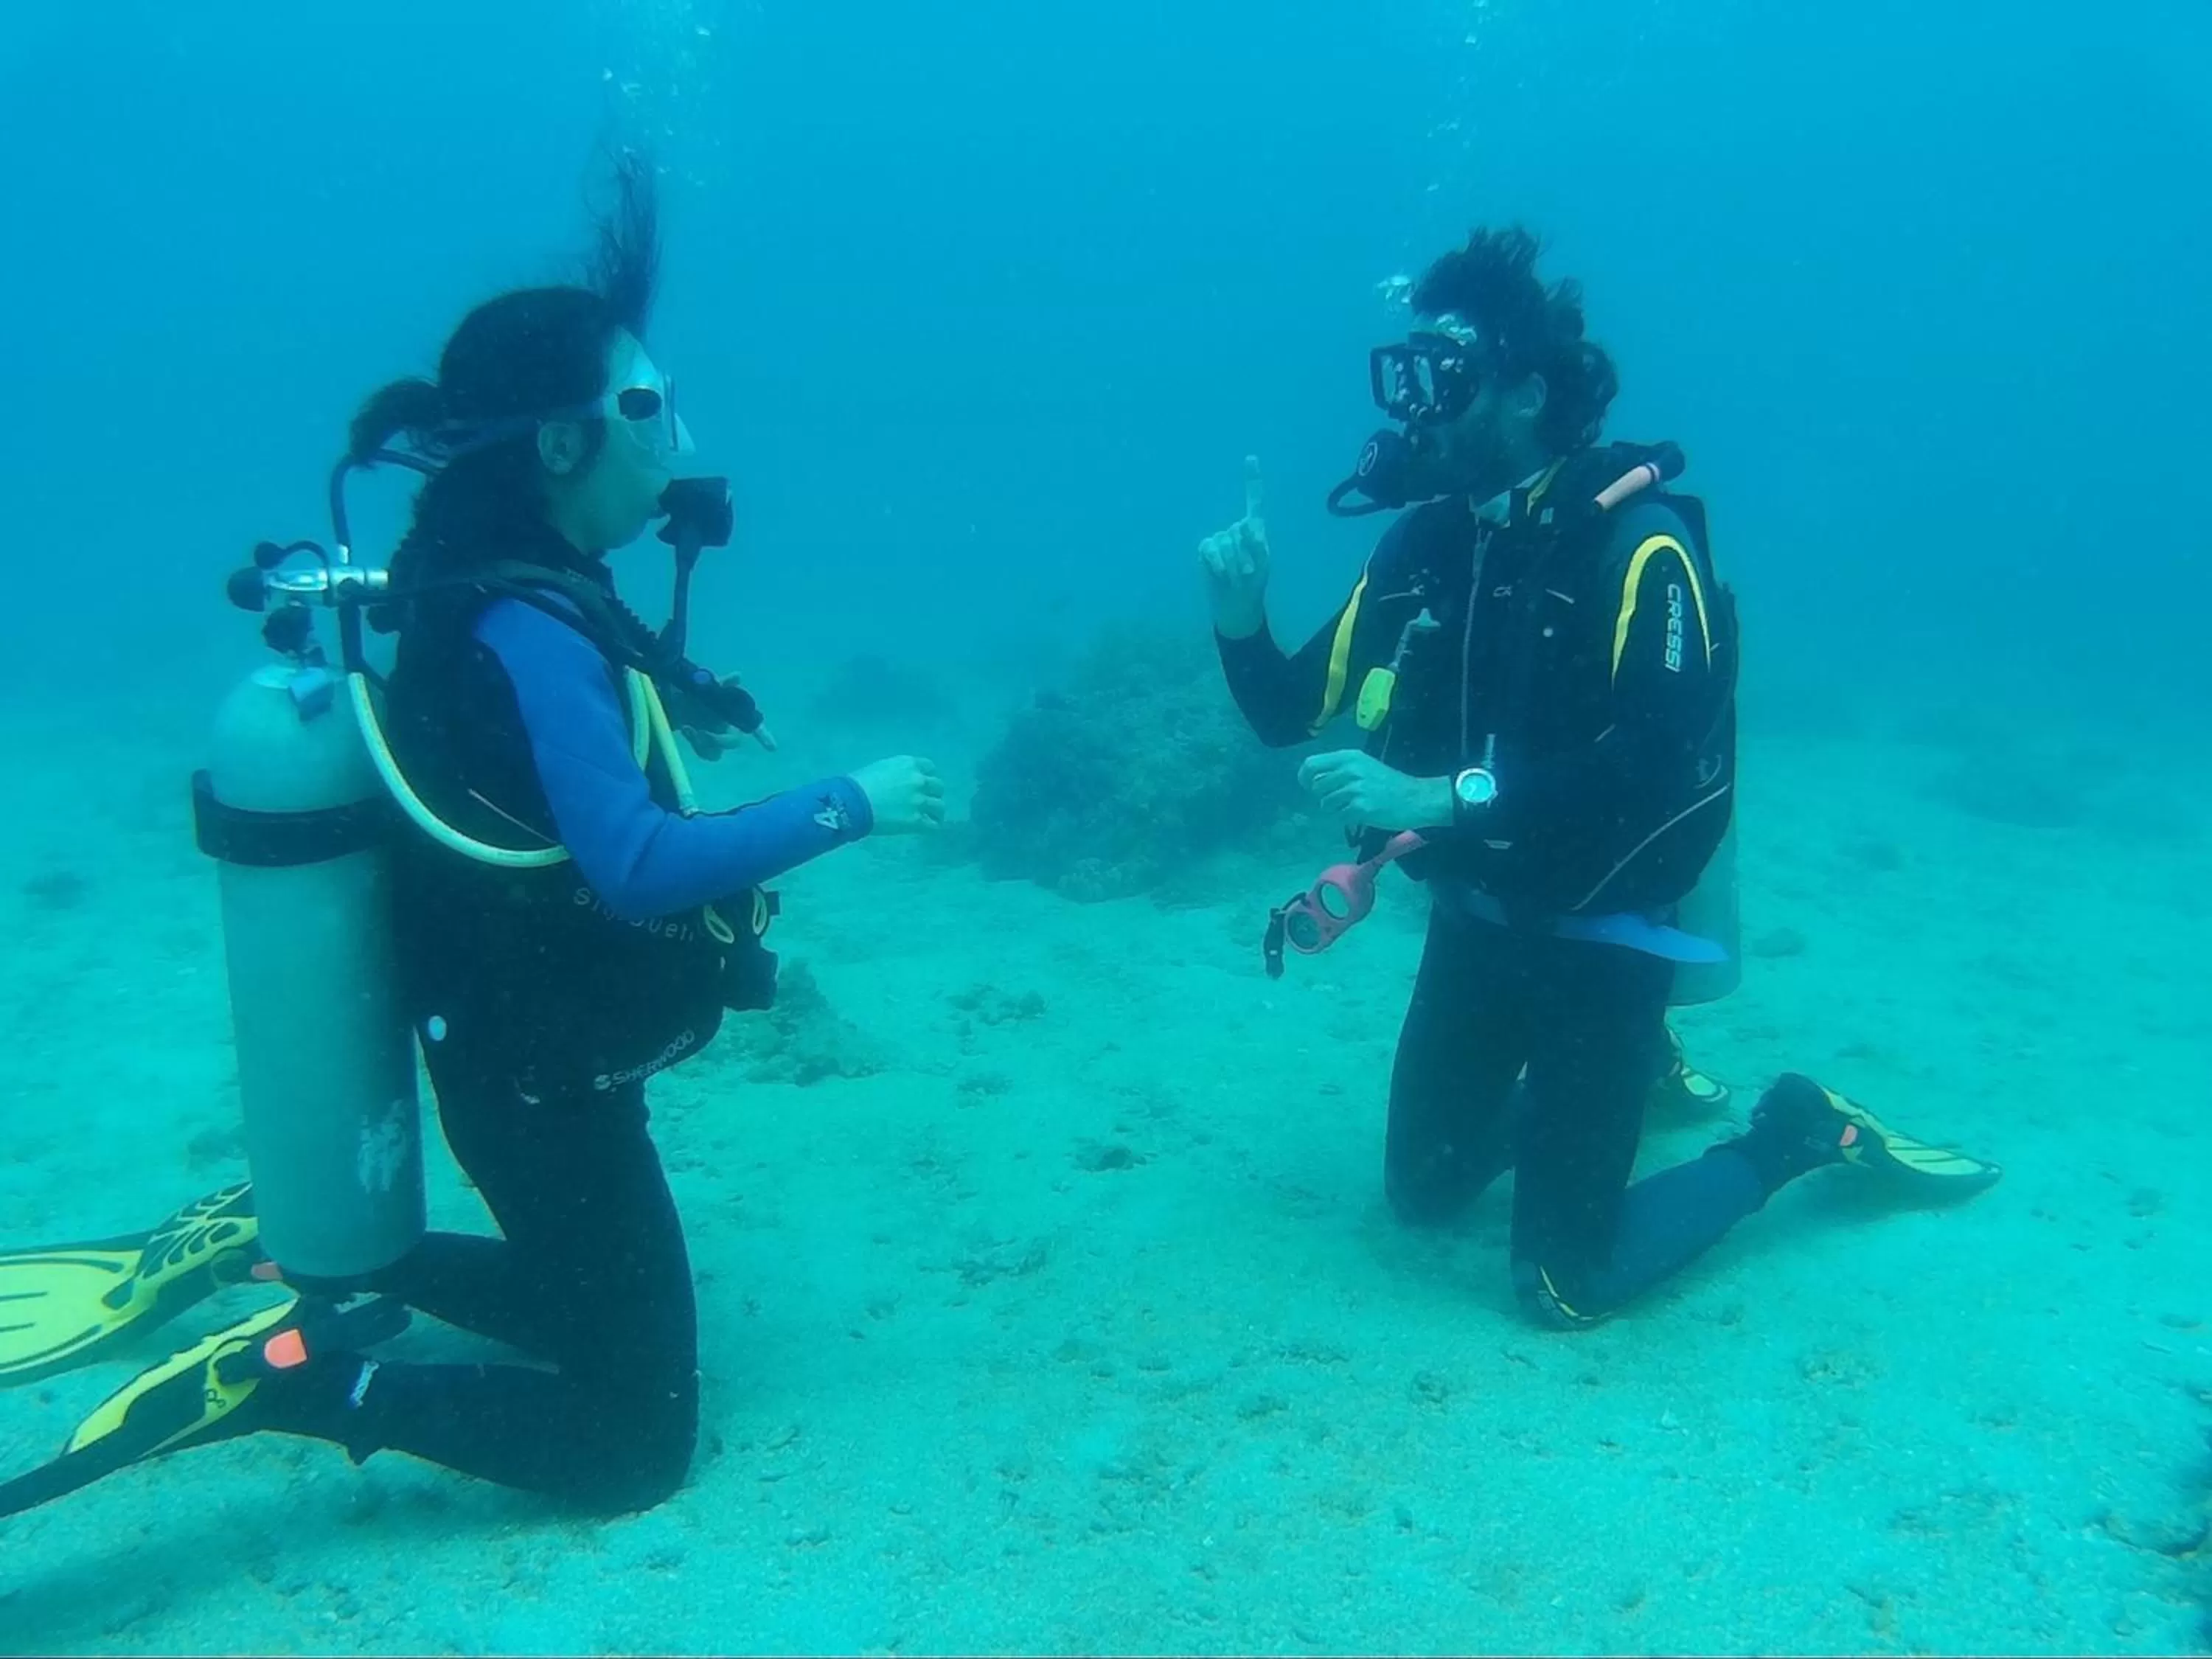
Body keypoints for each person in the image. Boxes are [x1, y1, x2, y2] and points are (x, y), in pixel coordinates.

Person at [0, 157, 945, 1517]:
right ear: (558, 444)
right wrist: (850, 801)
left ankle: (314, 1249)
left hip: (517, 1047)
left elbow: (539, 759)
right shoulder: (530, 618)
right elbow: (633, 866)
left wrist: (681, 707)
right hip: (543, 1077)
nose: (674, 437)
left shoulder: (501, 585)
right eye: (644, 408)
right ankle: (302, 1380)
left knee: (580, 1301)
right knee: (635, 1444)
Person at [1198, 226, 1996, 1327]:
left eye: (1448, 380)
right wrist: (1239, 614)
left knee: (1564, 1286)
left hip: (1605, 934)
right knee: (1422, 1195)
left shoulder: (1640, 545)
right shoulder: (1427, 544)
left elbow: (1657, 766)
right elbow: (1287, 710)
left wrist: (1440, 799)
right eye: (1411, 380)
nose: (1418, 413)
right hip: (1479, 919)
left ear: (1527, 393)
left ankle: (1794, 1131)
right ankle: (1635, 1076)